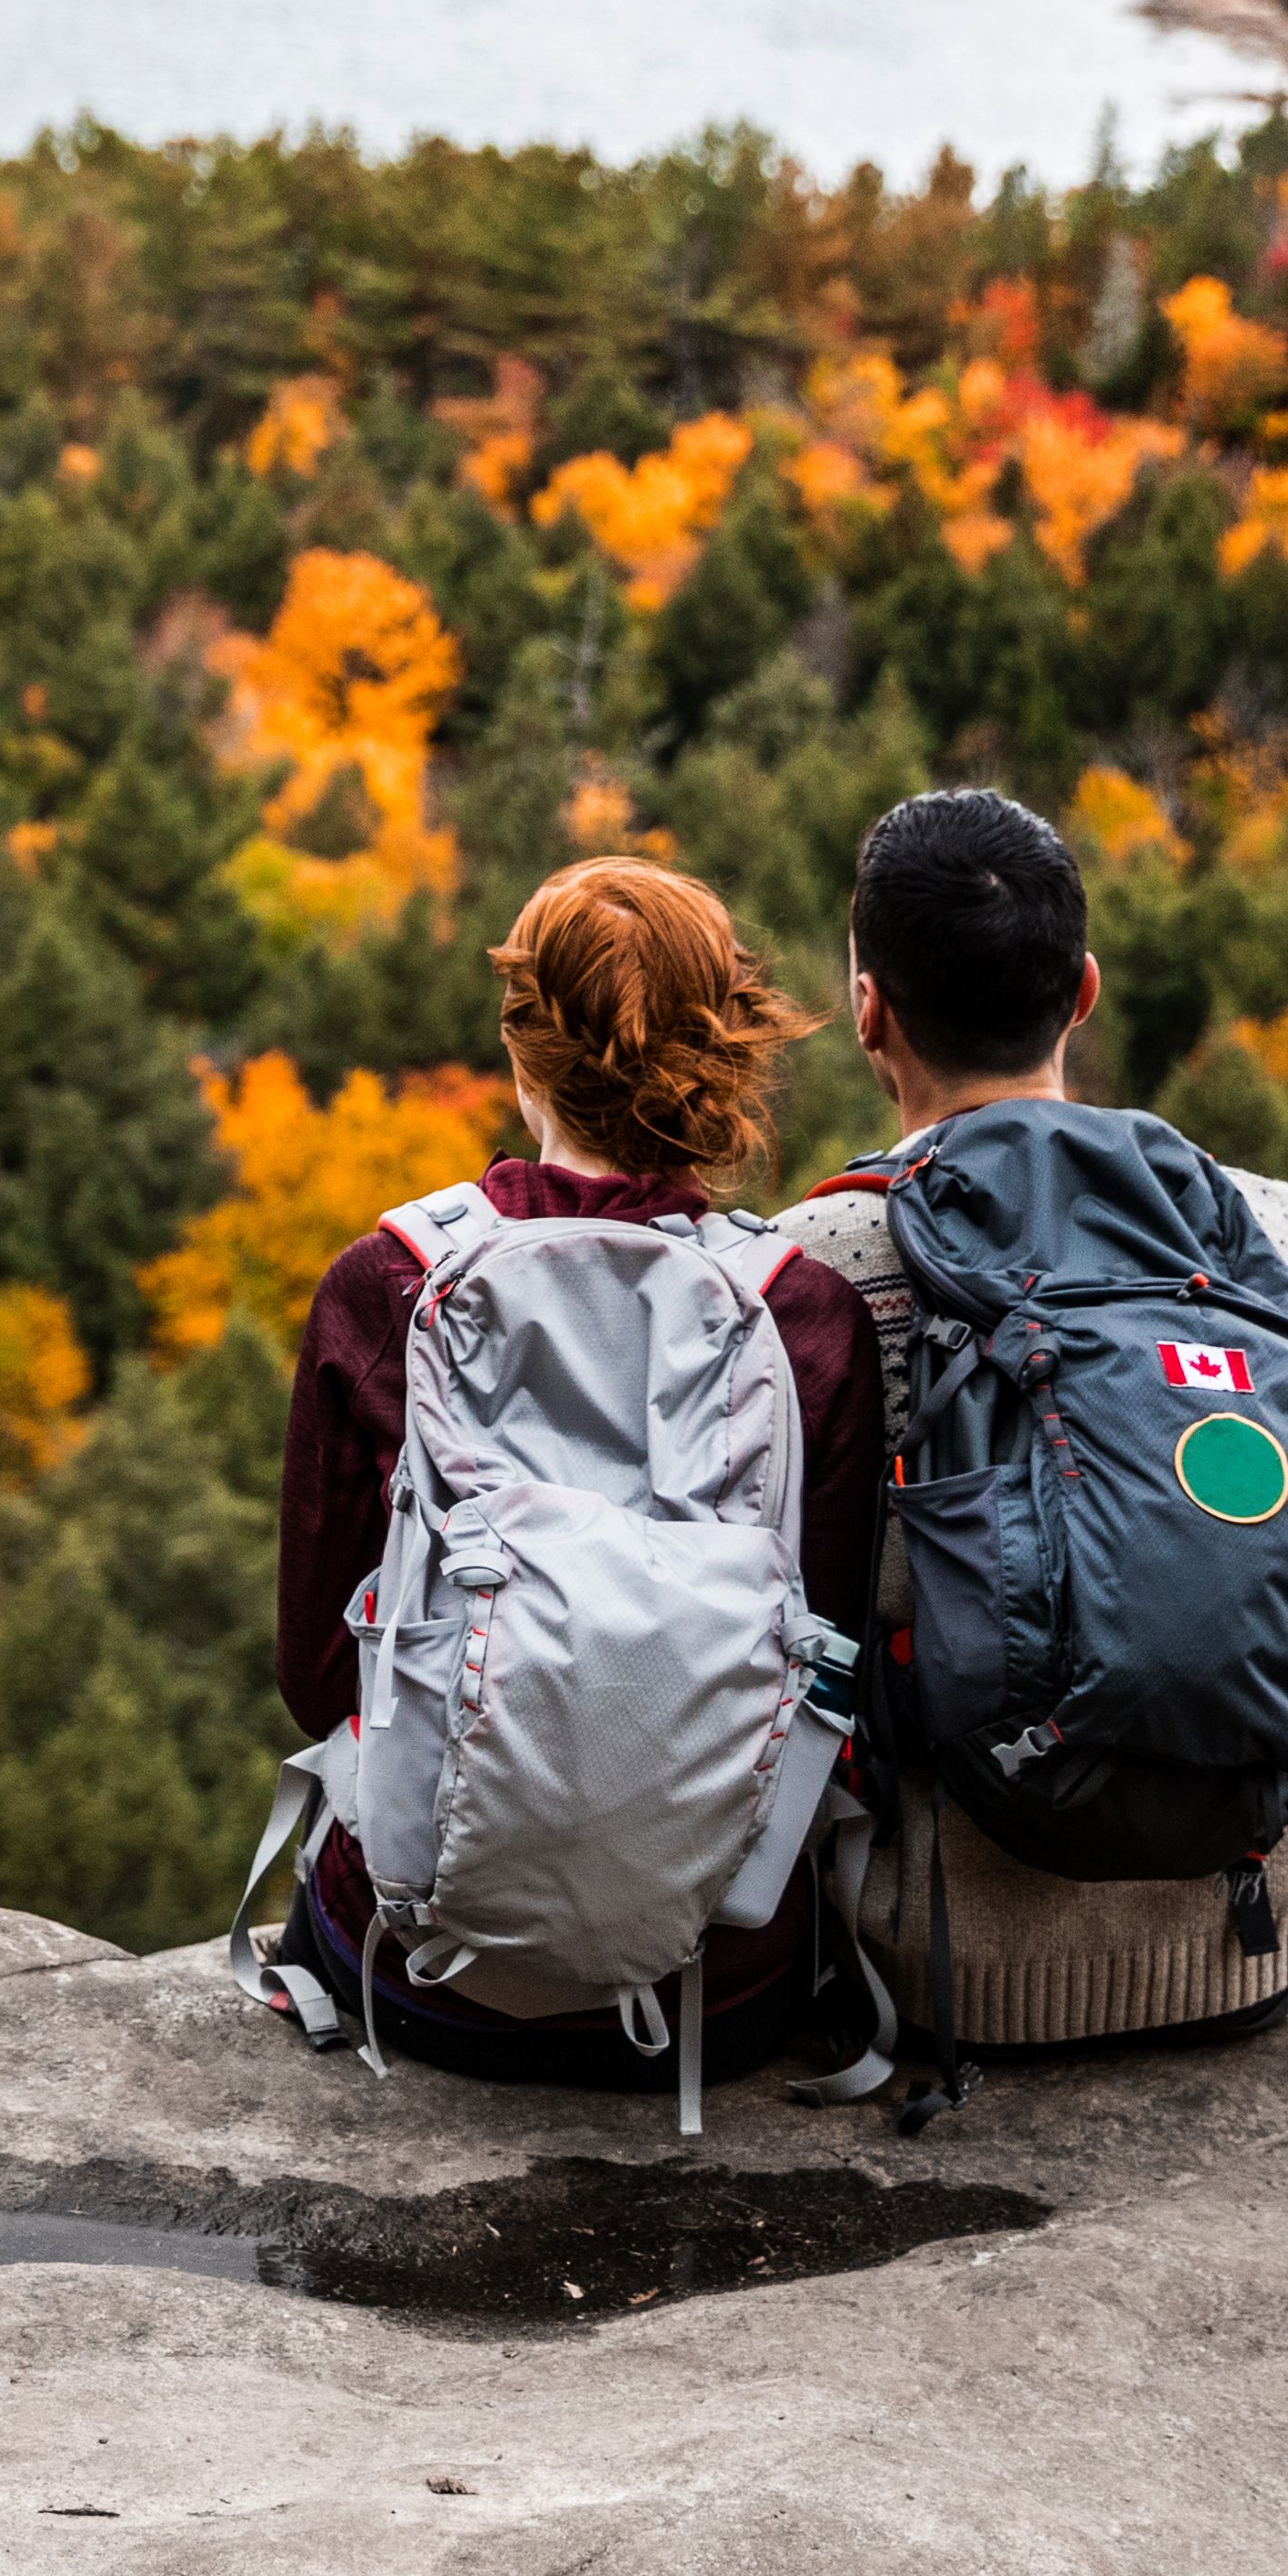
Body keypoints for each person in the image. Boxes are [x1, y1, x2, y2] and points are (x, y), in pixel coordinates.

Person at [776, 784, 1288, 2055]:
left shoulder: (810, 1264)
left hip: (944, 1963)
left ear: (866, 1009)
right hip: (1255, 1937)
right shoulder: (1276, 1237)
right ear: (1085, 990)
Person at [262, 855, 881, 2090]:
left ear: (518, 1045)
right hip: (721, 1978)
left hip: (421, 1971)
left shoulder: (388, 1284)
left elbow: (320, 1676)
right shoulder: (804, 1314)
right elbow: (825, 1674)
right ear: (726, 1048)